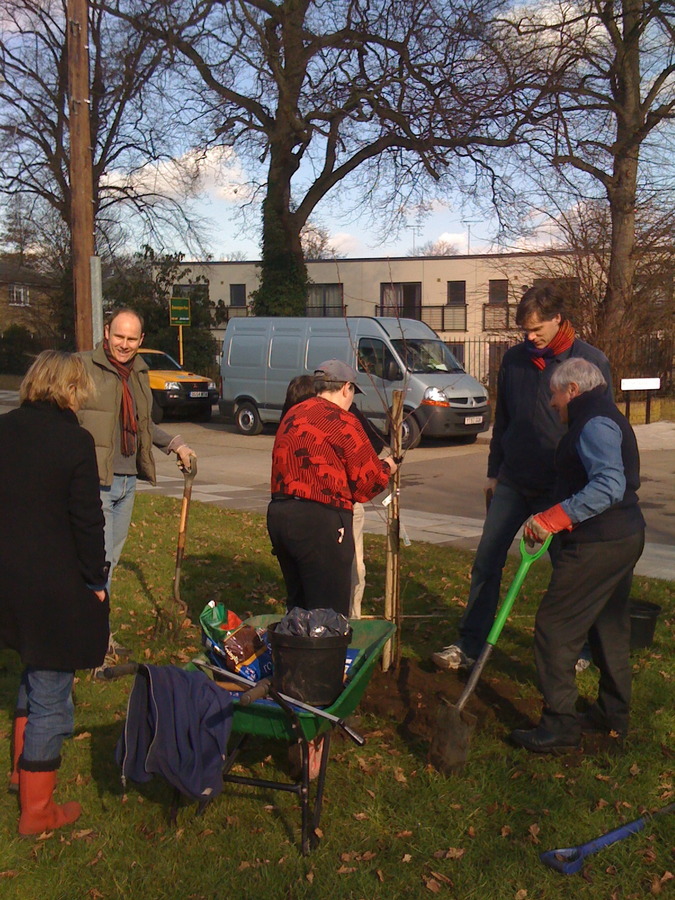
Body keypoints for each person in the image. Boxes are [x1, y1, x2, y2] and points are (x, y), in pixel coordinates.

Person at [432, 283, 612, 671]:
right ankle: (469, 644)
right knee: (486, 561)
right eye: (524, 331)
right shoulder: (514, 361)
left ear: (558, 319)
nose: (530, 338)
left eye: (536, 329)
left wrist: (583, 489)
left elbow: (603, 425)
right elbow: (505, 421)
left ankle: (576, 648)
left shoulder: (590, 361)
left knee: (567, 571)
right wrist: (494, 472)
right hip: (513, 480)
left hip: (561, 488)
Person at [510, 359, 645, 753]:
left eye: (554, 393)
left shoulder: (594, 423)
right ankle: (611, 714)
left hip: (598, 543)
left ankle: (560, 728)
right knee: (608, 626)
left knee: (555, 628)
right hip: (621, 537)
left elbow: (608, 485)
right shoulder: (604, 415)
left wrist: (554, 518)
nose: (553, 403)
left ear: (572, 389)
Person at [0, 351, 109, 835]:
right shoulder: (74, 441)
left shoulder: (3, 429)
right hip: (54, 583)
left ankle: (20, 775)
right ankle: (37, 811)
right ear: (70, 389)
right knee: (50, 693)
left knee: (30, 664)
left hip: (8, 578)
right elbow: (87, 521)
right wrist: (96, 581)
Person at [78, 308, 195, 657]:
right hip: (95, 481)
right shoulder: (84, 368)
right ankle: (94, 645)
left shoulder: (140, 374)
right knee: (98, 567)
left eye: (131, 339)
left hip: (127, 482)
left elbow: (143, 425)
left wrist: (174, 444)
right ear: (106, 333)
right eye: (118, 337)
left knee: (107, 563)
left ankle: (93, 637)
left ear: (140, 340)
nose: (124, 345)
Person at [267, 359, 397, 617]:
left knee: (298, 607)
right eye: (352, 393)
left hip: (280, 516)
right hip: (320, 522)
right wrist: (388, 467)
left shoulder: (293, 414)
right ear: (346, 388)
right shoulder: (342, 421)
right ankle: (324, 656)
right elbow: (366, 484)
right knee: (327, 614)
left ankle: (294, 653)